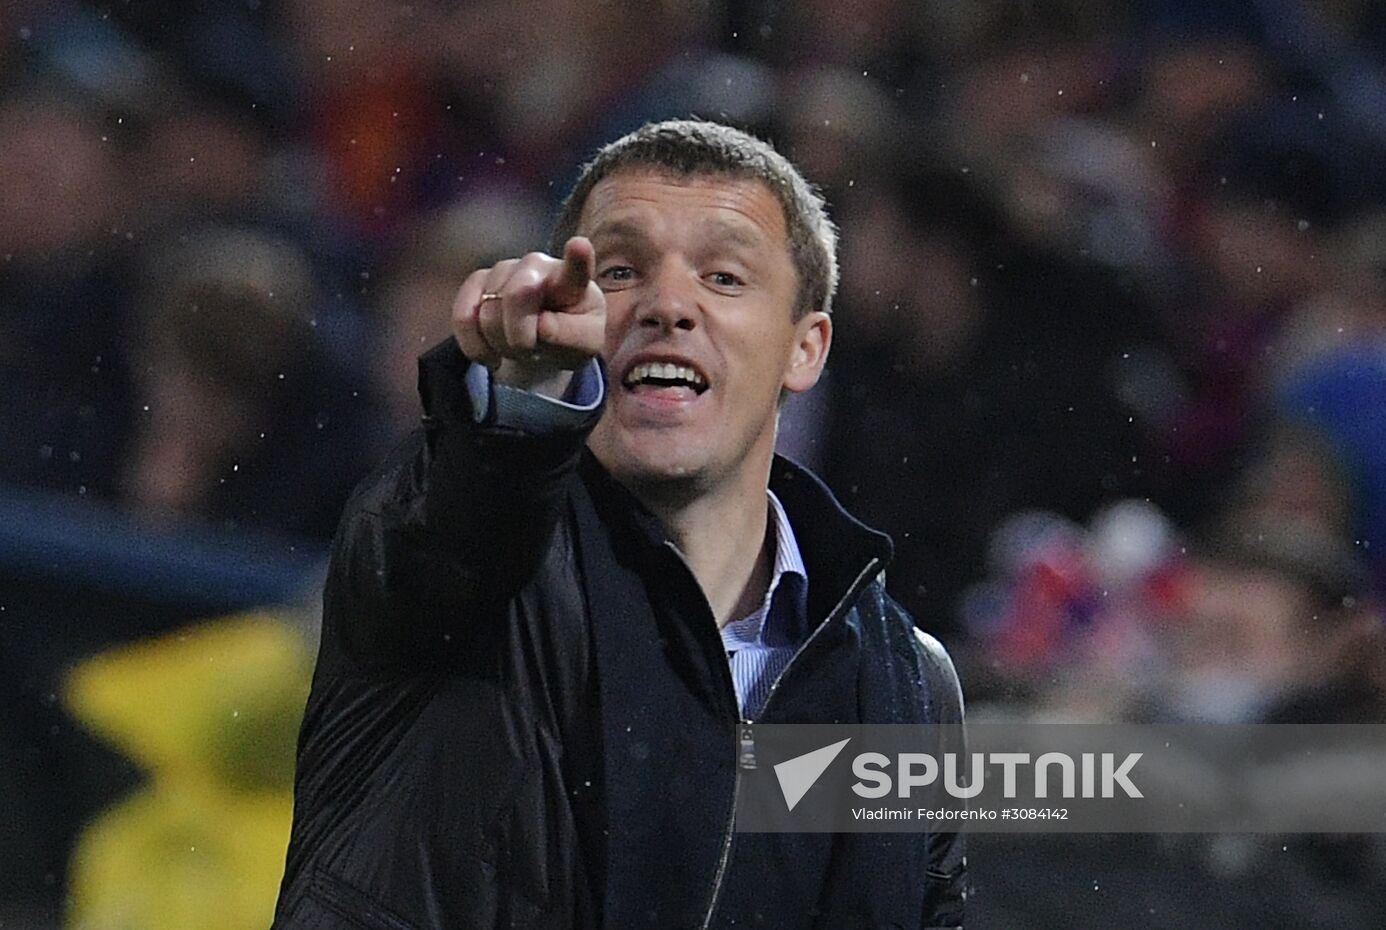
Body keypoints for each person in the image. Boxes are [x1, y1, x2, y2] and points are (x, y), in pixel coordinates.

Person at [272, 120, 966, 930]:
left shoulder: (908, 687)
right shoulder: (471, 575)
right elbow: (449, 537)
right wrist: (516, 405)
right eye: (622, 269)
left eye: (725, 276)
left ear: (804, 349)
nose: (669, 305)